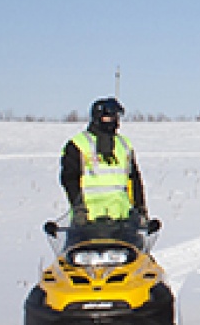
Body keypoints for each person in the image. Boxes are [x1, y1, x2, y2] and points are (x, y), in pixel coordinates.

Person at [60, 97, 148, 243]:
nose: (114, 121)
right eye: (109, 116)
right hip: (87, 223)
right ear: (98, 117)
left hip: (123, 222)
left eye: (116, 117)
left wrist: (140, 209)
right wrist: (78, 208)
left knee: (142, 262)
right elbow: (69, 179)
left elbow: (134, 180)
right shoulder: (78, 144)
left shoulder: (124, 144)